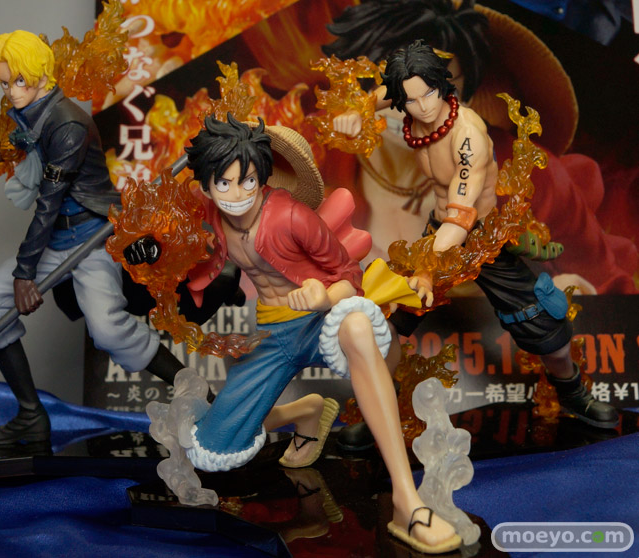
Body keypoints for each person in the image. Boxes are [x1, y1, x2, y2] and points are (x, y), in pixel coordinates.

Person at [137, 115, 461, 553]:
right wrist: (150, 248)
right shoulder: (211, 214)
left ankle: (407, 501)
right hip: (273, 335)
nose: (237, 194)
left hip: (321, 321)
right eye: (223, 183)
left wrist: (322, 296)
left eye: (247, 181)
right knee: (210, 448)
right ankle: (305, 412)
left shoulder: (291, 215)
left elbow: (350, 277)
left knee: (357, 325)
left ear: (261, 176)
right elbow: (172, 243)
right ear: (207, 185)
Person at [333, 40, 618, 430]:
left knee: (545, 329)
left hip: (481, 238)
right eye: (411, 100)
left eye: (429, 94)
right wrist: (359, 110)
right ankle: (381, 413)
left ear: (443, 84)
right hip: (438, 231)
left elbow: (461, 217)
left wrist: (426, 268)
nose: (423, 107)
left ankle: (572, 391)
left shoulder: (468, 135)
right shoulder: (410, 98)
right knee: (389, 320)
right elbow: (390, 90)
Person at [0, 30, 190, 446]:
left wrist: (24, 274)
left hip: (91, 239)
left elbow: (49, 202)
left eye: (20, 81)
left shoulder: (68, 123)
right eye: (5, 82)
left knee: (107, 329)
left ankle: (195, 391)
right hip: (57, 242)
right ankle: (30, 415)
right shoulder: (31, 112)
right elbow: (32, 148)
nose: (12, 91)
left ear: (41, 73)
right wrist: (0, 153)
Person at [320, 0, 637, 294]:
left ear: (465, 94)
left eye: (441, 89)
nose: (415, 109)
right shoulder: (317, 157)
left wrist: (582, 295)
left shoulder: (489, 151)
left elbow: (609, 286)